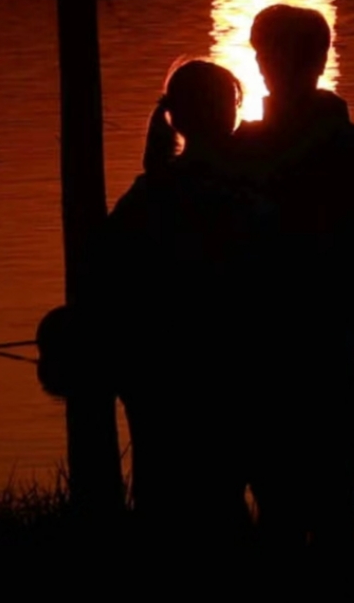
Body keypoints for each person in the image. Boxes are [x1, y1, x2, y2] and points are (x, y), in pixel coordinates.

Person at [229, 3, 354, 564]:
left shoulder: (248, 148)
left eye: (268, 54)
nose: (264, 64)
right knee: (325, 496)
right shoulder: (350, 141)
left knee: (291, 500)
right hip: (317, 344)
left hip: (285, 345)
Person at [100, 58, 268, 538]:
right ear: (231, 111)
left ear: (174, 118)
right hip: (232, 371)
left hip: (157, 375)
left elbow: (109, 273)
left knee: (163, 498)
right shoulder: (248, 191)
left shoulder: (147, 195)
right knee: (228, 501)